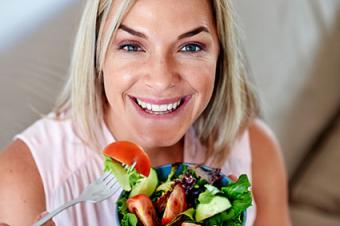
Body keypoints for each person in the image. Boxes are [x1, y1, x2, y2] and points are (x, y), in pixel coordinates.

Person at [0, 0, 292, 225]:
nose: (162, 79)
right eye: (131, 46)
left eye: (190, 47)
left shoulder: (254, 150)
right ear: (97, 55)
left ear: (220, 56)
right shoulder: (25, 182)